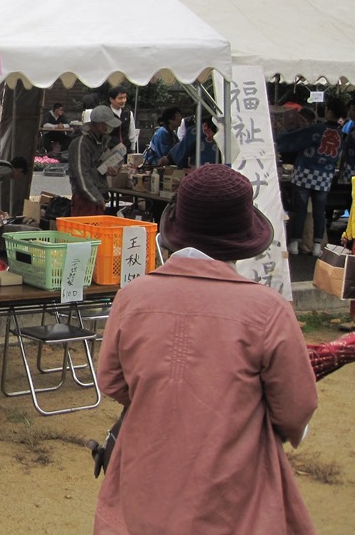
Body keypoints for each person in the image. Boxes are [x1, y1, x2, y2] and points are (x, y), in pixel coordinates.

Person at [94, 164, 317, 535]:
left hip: (145, 481)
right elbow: (295, 410)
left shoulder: (132, 298)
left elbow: (114, 384)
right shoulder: (267, 310)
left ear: (176, 229)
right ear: (243, 236)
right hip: (232, 490)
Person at [275, 97, 345, 257]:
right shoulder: (341, 135)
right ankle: (316, 246)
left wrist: (279, 135)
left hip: (304, 173)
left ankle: (294, 243)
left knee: (299, 209)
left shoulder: (317, 130)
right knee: (319, 212)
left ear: (329, 112)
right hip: (325, 177)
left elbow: (295, 140)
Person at [68, 105, 120, 217]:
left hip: (97, 195)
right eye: (107, 125)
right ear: (100, 125)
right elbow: (82, 176)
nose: (109, 128)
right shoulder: (81, 143)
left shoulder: (101, 141)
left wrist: (109, 170)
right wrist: (97, 198)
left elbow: (97, 169)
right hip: (84, 199)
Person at [107, 85, 133, 151]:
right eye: (120, 98)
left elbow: (131, 134)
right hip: (110, 151)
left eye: (125, 98)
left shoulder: (128, 113)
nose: (123, 101)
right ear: (111, 99)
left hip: (126, 150)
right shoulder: (106, 113)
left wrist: (133, 150)